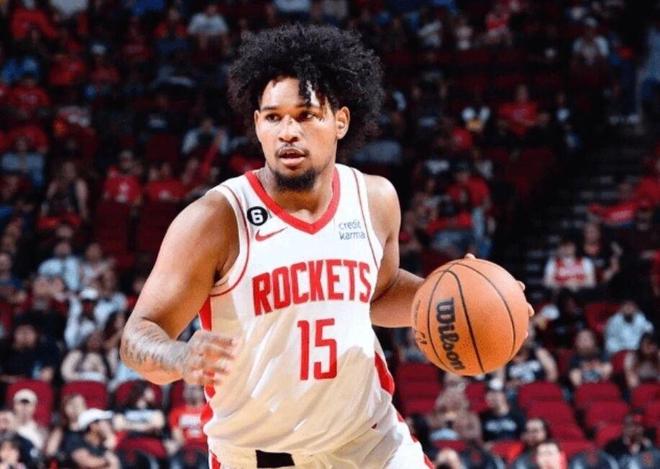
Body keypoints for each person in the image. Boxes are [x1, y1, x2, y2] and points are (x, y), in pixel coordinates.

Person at [120, 24, 532, 469]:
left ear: (341, 121)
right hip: (263, 458)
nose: (287, 132)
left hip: (370, 442)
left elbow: (377, 293)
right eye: (273, 117)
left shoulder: (374, 199)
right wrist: (179, 356)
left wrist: (458, 296)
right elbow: (138, 335)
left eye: (306, 115)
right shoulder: (216, 219)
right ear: (257, 124)